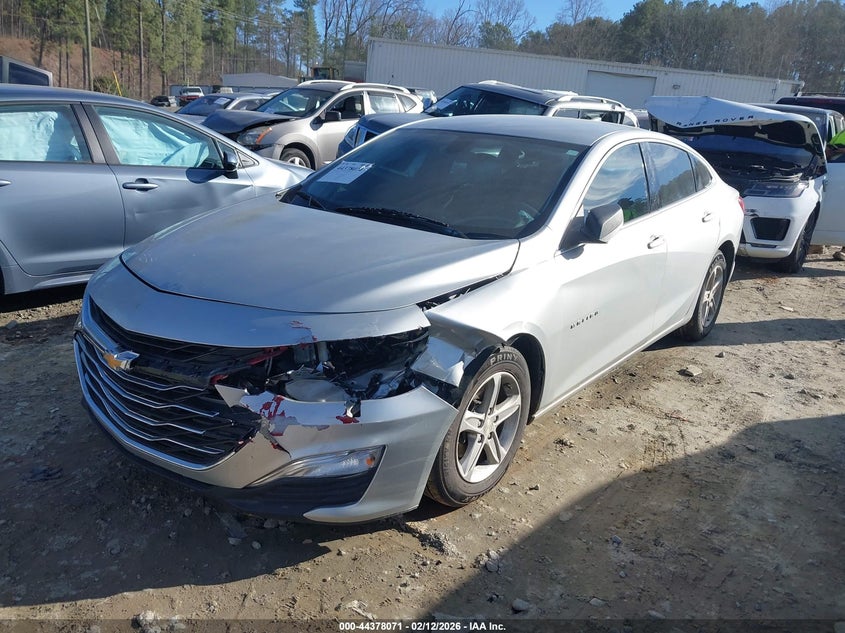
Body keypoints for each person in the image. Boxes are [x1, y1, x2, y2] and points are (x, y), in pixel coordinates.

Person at [825, 129, 845, 261]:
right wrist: (829, 150)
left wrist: (839, 151)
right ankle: (817, 243)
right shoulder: (842, 133)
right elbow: (828, 147)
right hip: (836, 172)